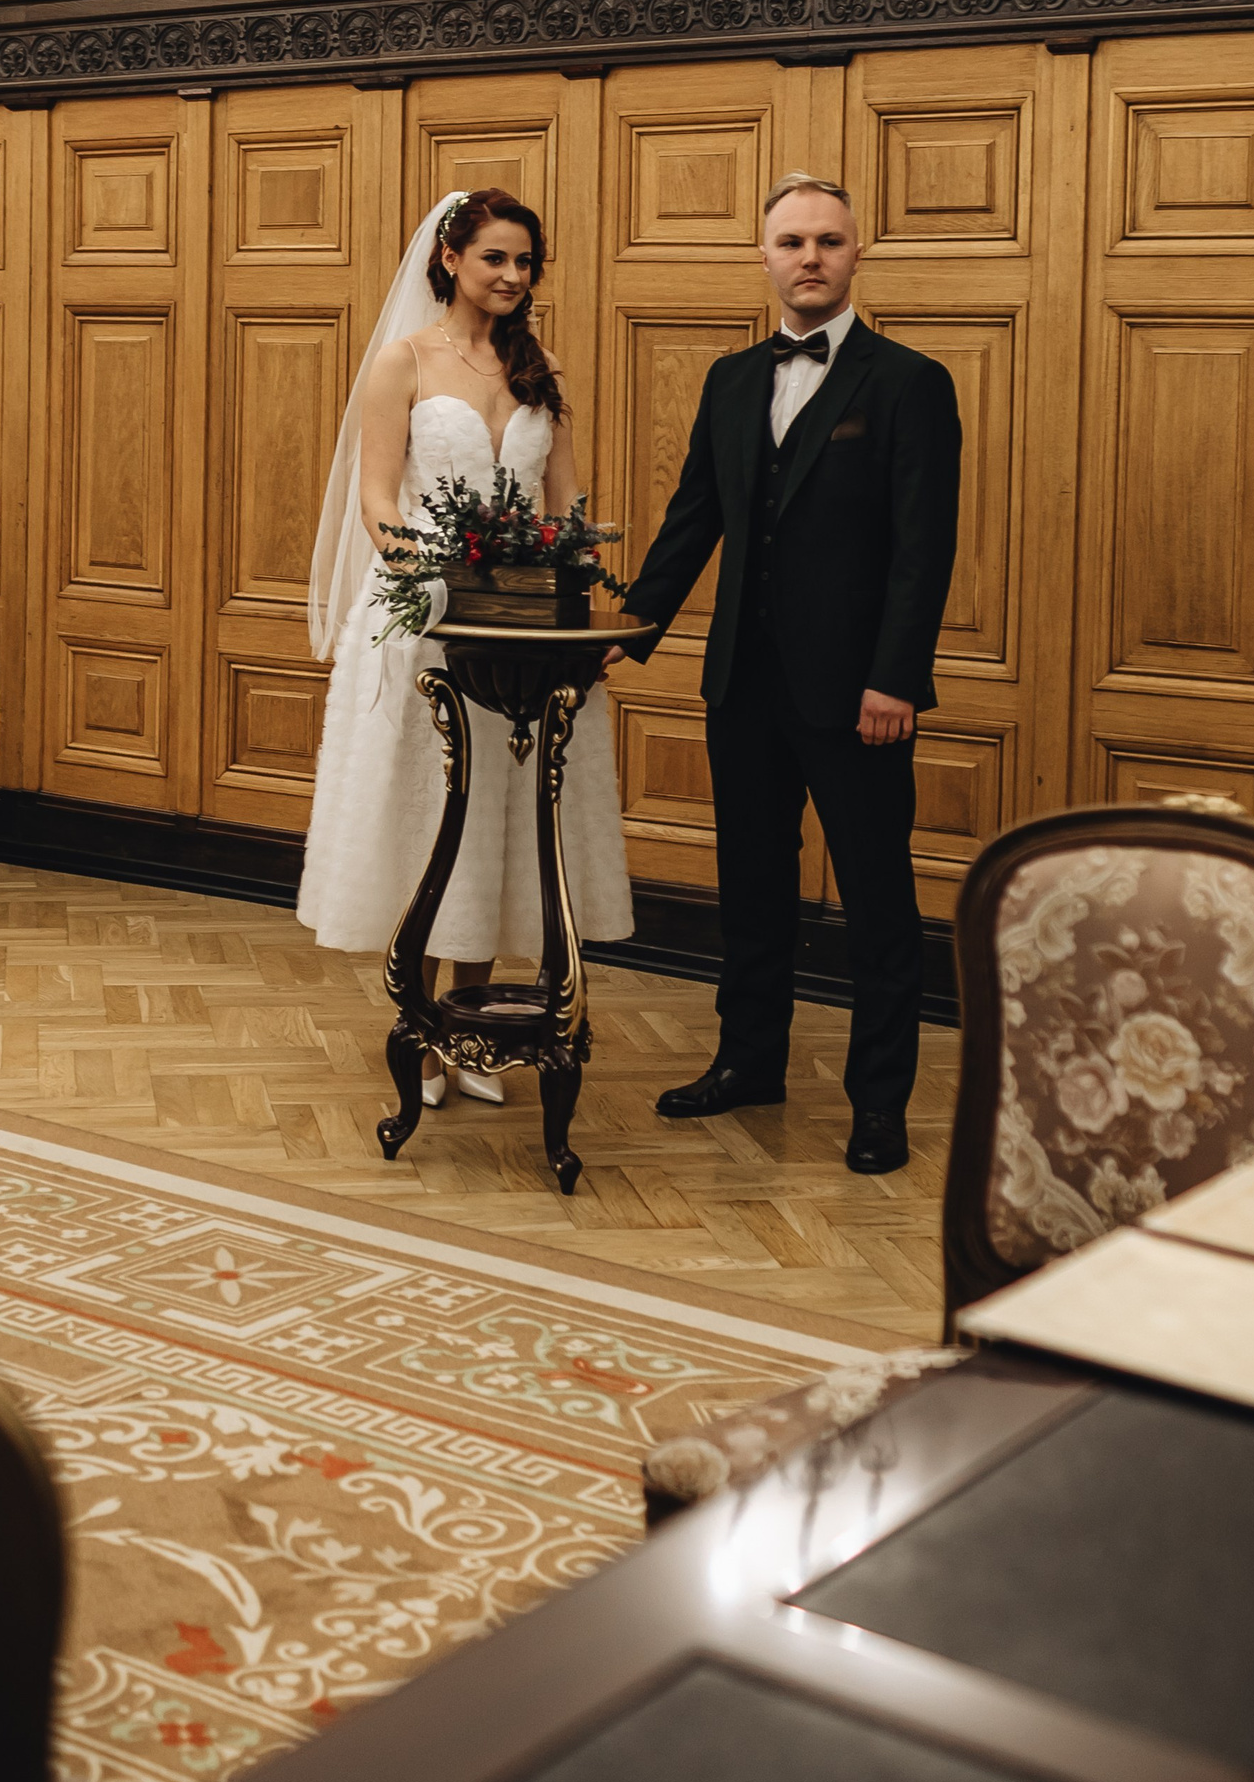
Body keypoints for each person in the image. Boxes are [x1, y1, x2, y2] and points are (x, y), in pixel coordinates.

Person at [613, 172, 960, 1173]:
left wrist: (896, 678)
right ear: (763, 257)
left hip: (858, 694)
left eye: (828, 241)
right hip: (743, 684)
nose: (810, 257)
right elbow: (693, 519)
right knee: (752, 886)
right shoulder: (730, 380)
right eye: (792, 241)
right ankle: (749, 1060)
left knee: (878, 900)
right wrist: (625, 631)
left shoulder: (909, 381)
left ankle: (879, 1102)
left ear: (856, 255)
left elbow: (923, 546)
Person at [299, 187, 632, 1107]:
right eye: (495, 257)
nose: (513, 275)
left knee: (497, 811)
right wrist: (426, 575)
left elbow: (566, 503)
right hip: (425, 622)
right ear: (450, 259)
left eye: (525, 261)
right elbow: (376, 497)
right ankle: (421, 1029)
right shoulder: (403, 361)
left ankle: (472, 1020)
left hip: (520, 626)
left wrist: (577, 601)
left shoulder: (540, 368)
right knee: (427, 815)